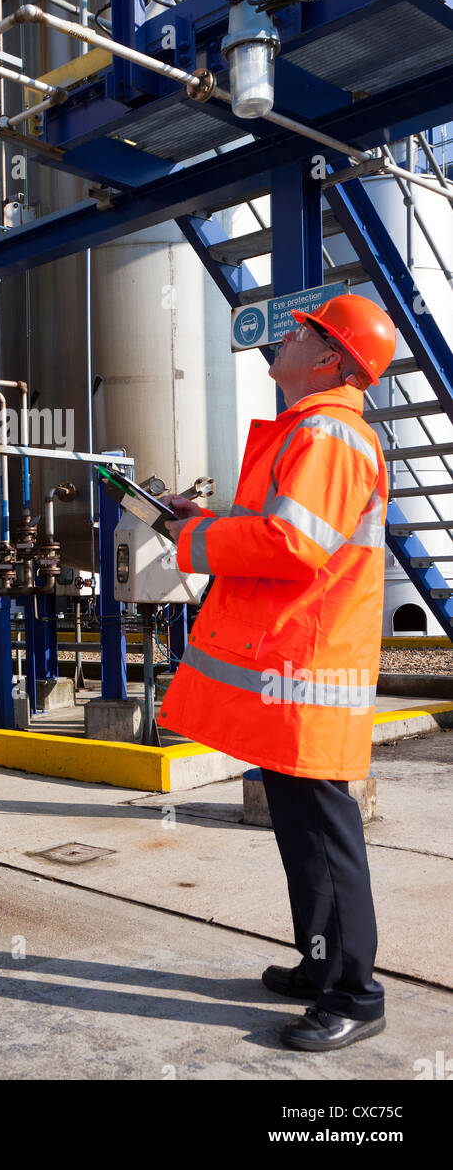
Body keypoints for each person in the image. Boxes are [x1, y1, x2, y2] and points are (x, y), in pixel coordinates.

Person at [160, 293, 397, 1051]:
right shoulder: (311, 430)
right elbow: (278, 533)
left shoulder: (330, 433)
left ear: (330, 360)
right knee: (302, 833)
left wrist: (193, 537)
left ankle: (354, 996)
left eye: (305, 332)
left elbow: (290, 546)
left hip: (313, 669)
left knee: (325, 837)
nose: (288, 337)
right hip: (294, 666)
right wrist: (193, 522)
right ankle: (320, 964)